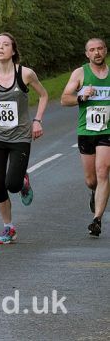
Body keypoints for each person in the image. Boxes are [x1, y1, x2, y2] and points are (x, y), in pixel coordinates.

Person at [0, 33, 48, 244]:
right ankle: (8, 227)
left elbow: (43, 95)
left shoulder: (25, 74)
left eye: (6, 45)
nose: (1, 48)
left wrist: (37, 120)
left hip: (20, 137)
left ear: (13, 51)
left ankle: (22, 181)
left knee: (12, 184)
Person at [61, 37, 110, 237]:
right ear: (87, 54)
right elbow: (65, 99)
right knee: (91, 180)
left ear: (105, 51)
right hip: (86, 131)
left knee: (103, 170)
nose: (97, 52)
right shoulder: (80, 73)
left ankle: (97, 219)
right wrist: (81, 95)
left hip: (107, 131)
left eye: (100, 49)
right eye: (92, 50)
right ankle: (95, 191)